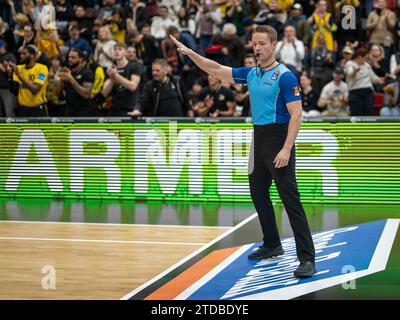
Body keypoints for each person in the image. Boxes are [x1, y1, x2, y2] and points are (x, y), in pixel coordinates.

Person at [170, 24, 316, 278]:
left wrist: (286, 148)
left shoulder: (285, 76)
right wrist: (190, 53)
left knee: (290, 199)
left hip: (279, 138)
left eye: (262, 43)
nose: (257, 48)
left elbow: (297, 115)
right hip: (258, 139)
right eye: (254, 43)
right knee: (258, 193)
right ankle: (272, 243)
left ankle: (307, 258)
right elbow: (215, 68)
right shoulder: (251, 73)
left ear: (273, 45)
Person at [5, 45, 48, 117]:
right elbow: (15, 91)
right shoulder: (19, 68)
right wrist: (10, 76)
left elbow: (35, 90)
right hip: (22, 109)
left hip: (37, 109)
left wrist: (19, 75)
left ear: (32, 55)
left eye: (24, 54)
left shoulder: (42, 68)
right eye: (21, 54)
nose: (21, 56)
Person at [102, 43, 142, 116]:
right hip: (114, 108)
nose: (117, 51)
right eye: (115, 50)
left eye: (120, 49)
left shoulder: (135, 66)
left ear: (126, 52)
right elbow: (105, 93)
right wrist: (111, 78)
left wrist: (116, 75)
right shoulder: (110, 69)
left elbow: (133, 87)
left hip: (129, 109)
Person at [55, 48, 96, 117]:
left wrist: (71, 79)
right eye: (69, 57)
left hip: (84, 112)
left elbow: (86, 95)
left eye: (73, 57)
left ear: (81, 59)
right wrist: (61, 79)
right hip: (69, 111)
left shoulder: (87, 72)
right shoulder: (68, 72)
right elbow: (57, 93)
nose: (70, 59)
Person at [344, 47, 384, 116]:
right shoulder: (349, 64)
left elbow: (373, 78)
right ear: (360, 57)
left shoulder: (366, 65)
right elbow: (350, 73)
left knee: (368, 114)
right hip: (355, 92)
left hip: (368, 92)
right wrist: (355, 71)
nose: (366, 59)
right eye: (365, 57)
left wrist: (380, 79)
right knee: (357, 115)